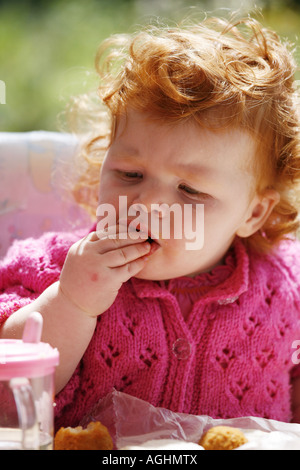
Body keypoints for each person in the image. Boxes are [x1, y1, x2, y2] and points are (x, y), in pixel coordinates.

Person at [1, 14, 300, 431]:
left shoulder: (288, 284)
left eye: (190, 191)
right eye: (130, 175)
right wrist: (71, 302)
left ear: (252, 213)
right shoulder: (55, 266)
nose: (148, 204)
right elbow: (7, 397)